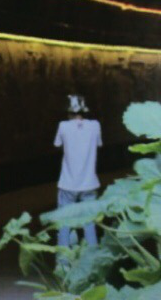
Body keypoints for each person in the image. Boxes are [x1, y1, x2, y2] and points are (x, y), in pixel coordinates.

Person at [53, 93, 103, 249]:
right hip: (89, 184)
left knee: (64, 224)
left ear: (69, 113)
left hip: (68, 184)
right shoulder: (95, 125)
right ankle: (93, 263)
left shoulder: (63, 126)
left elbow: (58, 145)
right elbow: (99, 144)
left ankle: (63, 263)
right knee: (89, 225)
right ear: (84, 111)